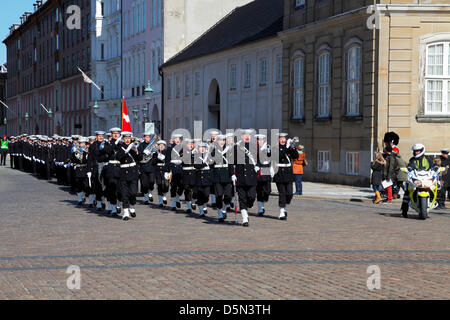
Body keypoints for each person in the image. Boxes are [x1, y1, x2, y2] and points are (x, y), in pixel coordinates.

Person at [233, 129, 258, 227]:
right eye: (245, 135)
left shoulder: (255, 147)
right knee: (242, 198)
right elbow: (231, 162)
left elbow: (262, 158)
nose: (247, 137)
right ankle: (244, 217)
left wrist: (258, 165)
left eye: (249, 135)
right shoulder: (236, 147)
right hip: (241, 176)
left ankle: (247, 209)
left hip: (251, 176)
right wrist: (232, 174)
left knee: (251, 197)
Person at [401, 143, 434, 214]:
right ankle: (404, 210)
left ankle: (437, 200)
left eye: (418, 151)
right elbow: (411, 165)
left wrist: (436, 168)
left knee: (435, 186)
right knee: (407, 191)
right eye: (415, 151)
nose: (416, 152)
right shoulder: (412, 159)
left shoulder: (428, 158)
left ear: (422, 150)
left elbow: (433, 166)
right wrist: (408, 168)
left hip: (426, 177)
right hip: (416, 178)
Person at [273, 133, 299, 220]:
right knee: (282, 193)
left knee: (289, 193)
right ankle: (281, 211)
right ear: (278, 139)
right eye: (281, 138)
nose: (282, 140)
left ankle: (284, 206)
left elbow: (296, 156)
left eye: (284, 138)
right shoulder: (275, 148)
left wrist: (292, 147)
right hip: (279, 172)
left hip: (288, 172)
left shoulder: (289, 147)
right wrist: (287, 148)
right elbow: (279, 156)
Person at [116, 132, 140, 221]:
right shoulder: (119, 147)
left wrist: (136, 151)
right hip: (123, 173)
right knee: (124, 193)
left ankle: (132, 206)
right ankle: (125, 213)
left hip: (133, 172)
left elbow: (140, 158)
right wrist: (126, 151)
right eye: (125, 138)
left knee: (133, 192)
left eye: (128, 138)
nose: (127, 140)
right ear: (123, 139)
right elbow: (118, 157)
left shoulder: (134, 147)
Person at [211, 135, 234, 222]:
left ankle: (224, 208)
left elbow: (231, 163)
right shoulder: (213, 150)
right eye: (220, 140)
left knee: (228, 196)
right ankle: (220, 213)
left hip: (227, 175)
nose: (222, 142)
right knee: (219, 195)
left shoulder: (229, 150)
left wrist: (232, 174)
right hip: (217, 176)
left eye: (223, 140)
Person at [138, 132, 157, 205]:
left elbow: (155, 155)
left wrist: (154, 161)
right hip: (143, 167)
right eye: (146, 137)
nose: (147, 139)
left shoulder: (152, 146)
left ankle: (150, 192)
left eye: (148, 137)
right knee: (144, 184)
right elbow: (139, 156)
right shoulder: (141, 146)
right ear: (143, 138)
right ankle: (146, 198)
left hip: (151, 166)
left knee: (152, 181)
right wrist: (143, 153)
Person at [255, 134, 272, 216]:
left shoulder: (267, 147)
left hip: (265, 168)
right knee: (259, 189)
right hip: (257, 169)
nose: (259, 141)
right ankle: (260, 208)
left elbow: (269, 156)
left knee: (267, 189)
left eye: (261, 140)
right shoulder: (254, 148)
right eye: (258, 140)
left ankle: (264, 200)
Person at [152, 140, 171, 208]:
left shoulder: (167, 152)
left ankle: (164, 195)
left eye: (162, 145)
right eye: (159, 145)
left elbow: (169, 161)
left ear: (164, 146)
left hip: (165, 169)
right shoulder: (155, 153)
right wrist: (157, 158)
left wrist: (164, 158)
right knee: (159, 185)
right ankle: (160, 202)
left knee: (166, 185)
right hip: (158, 170)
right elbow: (153, 162)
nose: (161, 147)